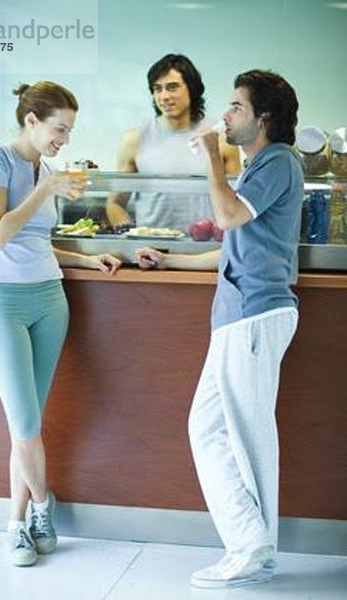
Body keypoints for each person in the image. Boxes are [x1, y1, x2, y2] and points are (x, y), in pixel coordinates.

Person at [136, 69, 304, 589]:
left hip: (255, 314)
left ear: (264, 118)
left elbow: (228, 216)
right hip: (240, 314)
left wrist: (211, 156)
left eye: (236, 106)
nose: (225, 115)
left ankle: (251, 550)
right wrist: (169, 262)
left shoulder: (276, 160)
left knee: (244, 438)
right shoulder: (259, 166)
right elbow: (233, 245)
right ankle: (252, 545)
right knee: (210, 430)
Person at [0, 81, 121, 568]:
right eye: (60, 129)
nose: (65, 140)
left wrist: (82, 258)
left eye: (70, 131)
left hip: (49, 298)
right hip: (1, 302)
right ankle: (42, 504)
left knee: (27, 428)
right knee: (26, 422)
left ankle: (18, 525)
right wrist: (45, 188)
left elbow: (35, 239)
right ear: (32, 121)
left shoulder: (47, 169)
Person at [106, 53, 240, 231]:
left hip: (206, 250)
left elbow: (236, 201)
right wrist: (133, 235)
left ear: (191, 89)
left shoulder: (220, 138)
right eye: (157, 89)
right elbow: (115, 204)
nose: (164, 96)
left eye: (172, 87)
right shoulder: (134, 139)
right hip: (151, 250)